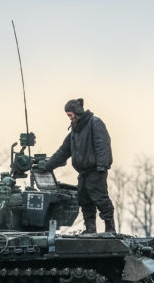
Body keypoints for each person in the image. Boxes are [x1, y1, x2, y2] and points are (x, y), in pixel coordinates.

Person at [41, 98, 115, 234]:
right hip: (83, 172)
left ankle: (110, 227)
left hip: (96, 170)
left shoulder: (95, 123)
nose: (69, 118)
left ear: (77, 112)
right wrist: (47, 166)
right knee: (84, 199)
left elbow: (102, 145)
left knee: (100, 198)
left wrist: (102, 166)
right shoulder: (75, 131)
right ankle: (90, 228)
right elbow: (63, 151)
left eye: (70, 115)